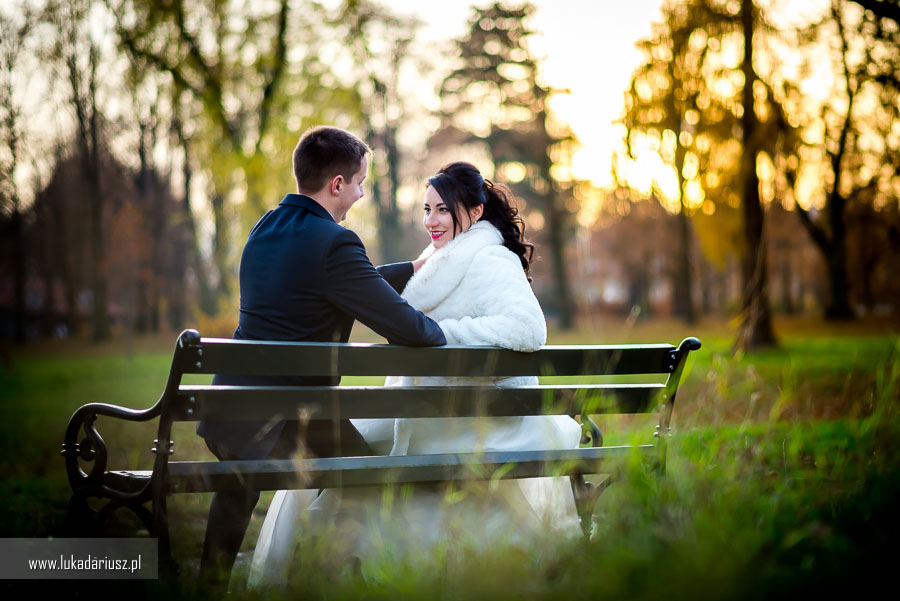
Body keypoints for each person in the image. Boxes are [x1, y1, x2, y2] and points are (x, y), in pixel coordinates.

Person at [249, 162, 582, 587]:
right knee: (332, 451)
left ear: (475, 212)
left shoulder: (491, 258)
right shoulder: (436, 262)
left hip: (475, 419)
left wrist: (445, 336)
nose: (431, 221)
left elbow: (528, 328)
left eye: (443, 210)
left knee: (339, 452)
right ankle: (347, 570)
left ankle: (347, 567)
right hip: (431, 411)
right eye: (427, 210)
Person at [195, 125, 446, 596]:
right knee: (372, 483)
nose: (362, 192)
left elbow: (333, 282)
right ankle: (350, 581)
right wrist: (447, 328)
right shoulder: (335, 242)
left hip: (230, 416)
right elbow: (411, 330)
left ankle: (208, 589)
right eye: (359, 182)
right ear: (337, 185)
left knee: (239, 486)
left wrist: (412, 268)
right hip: (292, 420)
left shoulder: (266, 227)